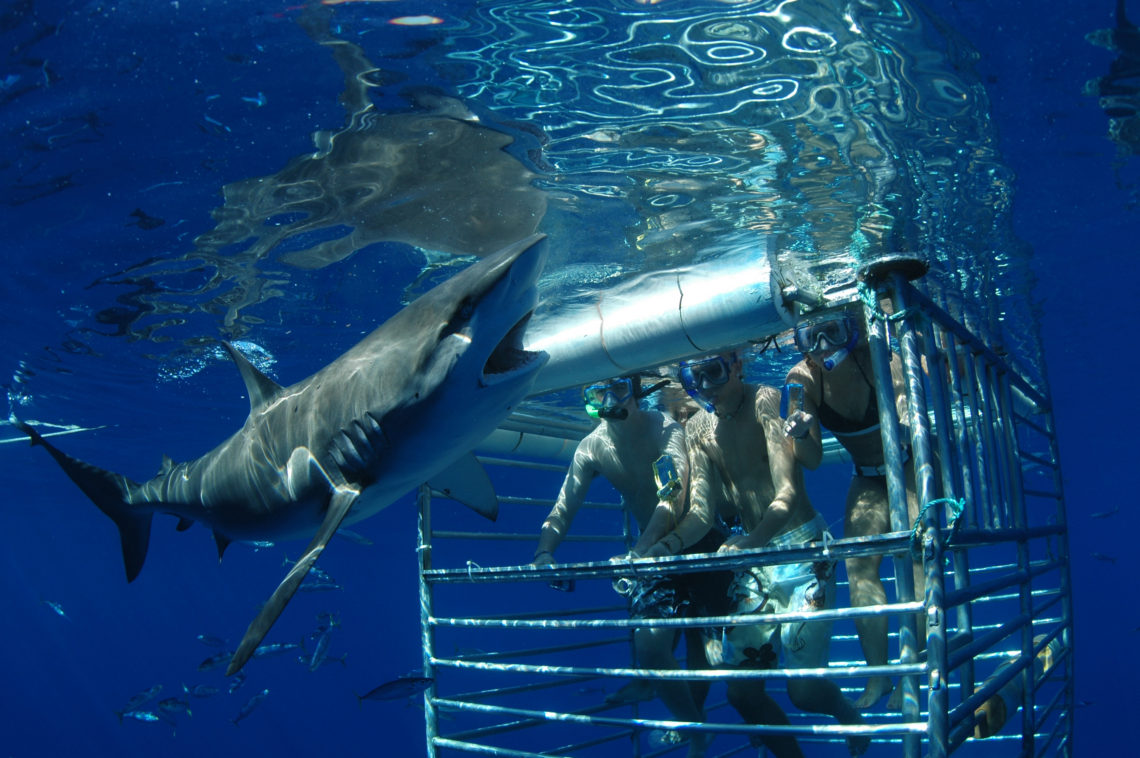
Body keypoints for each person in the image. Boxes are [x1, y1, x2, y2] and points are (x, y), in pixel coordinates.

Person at [663, 351, 867, 758]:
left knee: (805, 692)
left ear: (737, 365)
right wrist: (661, 548)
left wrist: (751, 542)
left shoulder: (766, 400)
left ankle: (845, 711)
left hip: (803, 550)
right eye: (693, 377)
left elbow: (788, 493)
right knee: (740, 692)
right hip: (755, 560)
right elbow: (701, 511)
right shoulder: (698, 428)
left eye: (714, 373)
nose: (706, 387)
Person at [531, 374, 723, 758]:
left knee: (703, 648)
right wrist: (544, 552)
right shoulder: (591, 447)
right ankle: (696, 730)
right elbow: (564, 505)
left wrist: (641, 550)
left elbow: (673, 493)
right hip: (648, 553)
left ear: (636, 392)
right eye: (595, 391)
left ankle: (690, 717)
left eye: (617, 389)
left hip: (697, 540)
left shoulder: (662, 428)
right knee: (651, 648)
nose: (607, 400)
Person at [782, 305, 924, 710]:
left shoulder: (879, 355)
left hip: (911, 465)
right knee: (859, 568)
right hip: (866, 475)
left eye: (832, 331)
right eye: (812, 336)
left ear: (854, 330)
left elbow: (904, 406)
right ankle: (878, 679)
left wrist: (903, 421)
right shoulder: (801, 378)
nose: (823, 345)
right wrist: (804, 431)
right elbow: (808, 459)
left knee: (915, 557)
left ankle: (912, 671)